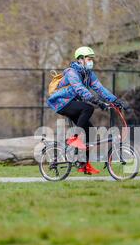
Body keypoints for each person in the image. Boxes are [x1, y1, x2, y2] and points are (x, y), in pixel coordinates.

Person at [47, 46, 128, 175]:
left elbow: (100, 88)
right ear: (80, 59)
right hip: (62, 103)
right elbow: (79, 89)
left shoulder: (89, 74)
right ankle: (74, 138)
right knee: (88, 108)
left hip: (73, 103)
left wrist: (115, 101)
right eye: (89, 59)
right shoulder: (71, 72)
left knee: (91, 132)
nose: (91, 61)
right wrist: (95, 100)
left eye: (92, 59)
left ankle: (84, 165)